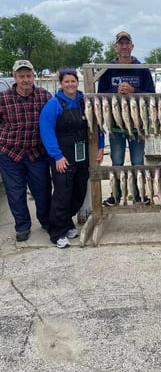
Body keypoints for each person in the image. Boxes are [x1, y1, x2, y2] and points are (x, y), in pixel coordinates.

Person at [40, 68, 104, 248]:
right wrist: (57, 156)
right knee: (62, 194)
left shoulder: (85, 102)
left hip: (82, 154)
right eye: (66, 81)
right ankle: (57, 232)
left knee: (78, 190)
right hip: (63, 156)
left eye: (73, 81)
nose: (70, 84)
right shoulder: (53, 104)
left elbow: (97, 124)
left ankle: (67, 223)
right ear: (61, 84)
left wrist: (100, 145)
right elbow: (46, 131)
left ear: (78, 82)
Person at [98, 31, 155, 206]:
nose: (124, 46)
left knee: (138, 161)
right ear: (116, 46)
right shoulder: (107, 69)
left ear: (132, 46)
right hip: (115, 124)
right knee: (117, 161)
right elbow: (99, 95)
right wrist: (115, 92)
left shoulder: (142, 69)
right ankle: (116, 195)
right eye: (120, 43)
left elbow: (151, 95)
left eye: (127, 43)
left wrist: (133, 91)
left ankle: (139, 194)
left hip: (137, 124)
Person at [0, 59, 52, 242]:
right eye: (21, 76)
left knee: (43, 189)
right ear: (14, 77)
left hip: (36, 152)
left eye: (28, 75)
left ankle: (46, 220)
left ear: (33, 77)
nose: (25, 79)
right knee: (15, 192)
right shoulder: (3, 98)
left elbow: (55, 120)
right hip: (10, 153)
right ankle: (22, 226)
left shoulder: (45, 96)